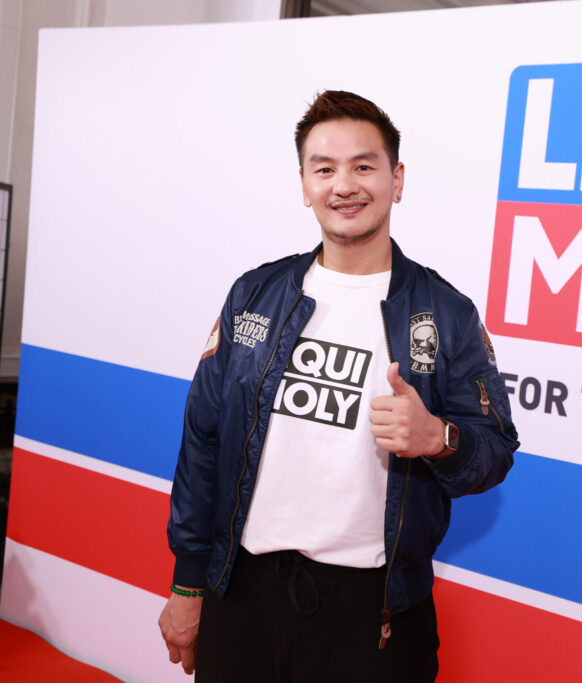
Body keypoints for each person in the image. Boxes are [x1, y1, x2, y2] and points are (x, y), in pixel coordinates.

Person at [157, 90, 518, 681]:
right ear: (304, 185)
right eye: (324, 169)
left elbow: (495, 451)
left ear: (396, 179)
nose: (344, 185)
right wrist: (188, 581)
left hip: (374, 612)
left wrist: (438, 438)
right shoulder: (253, 294)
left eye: (364, 166)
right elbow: (203, 440)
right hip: (241, 593)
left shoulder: (446, 313)